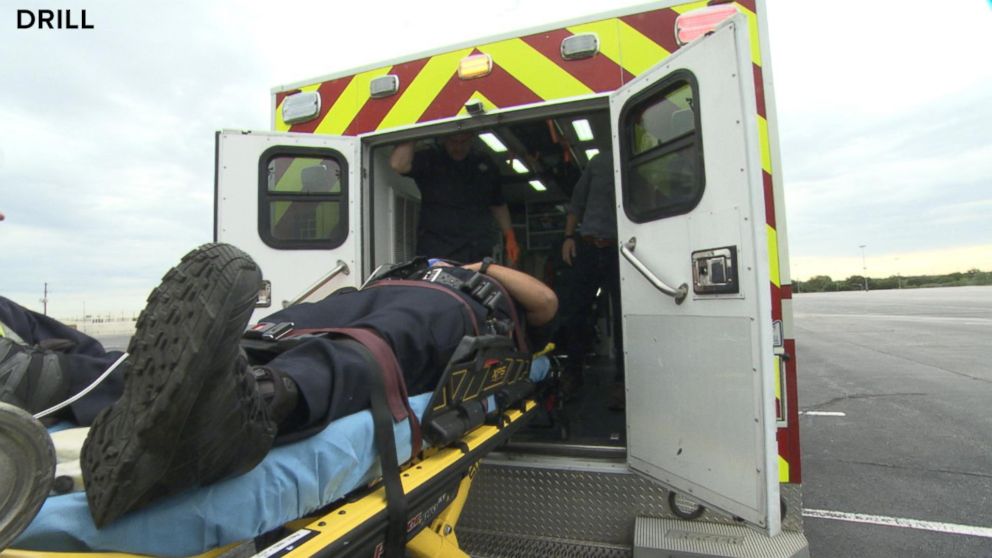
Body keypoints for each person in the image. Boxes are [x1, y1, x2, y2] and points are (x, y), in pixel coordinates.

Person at [0, 243, 556, 527]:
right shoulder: (401, 269)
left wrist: (479, 267)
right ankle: (55, 378)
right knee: (258, 338)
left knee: (365, 348)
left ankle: (257, 403)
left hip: (440, 310)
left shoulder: (482, 288)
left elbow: (546, 303)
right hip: (355, 302)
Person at [389, 133, 520, 266]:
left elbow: (498, 204)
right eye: (453, 141)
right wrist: (415, 131)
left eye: (463, 141)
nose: (458, 147)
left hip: (477, 252)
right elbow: (398, 165)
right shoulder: (430, 159)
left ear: (472, 138)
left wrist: (510, 236)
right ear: (444, 139)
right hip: (438, 251)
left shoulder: (485, 164)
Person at [558, 149, 624, 410]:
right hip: (587, 246)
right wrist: (568, 237)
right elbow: (577, 203)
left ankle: (622, 382)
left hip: (620, 249)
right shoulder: (598, 162)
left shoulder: (637, 161)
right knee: (576, 313)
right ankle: (573, 374)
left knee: (622, 317)